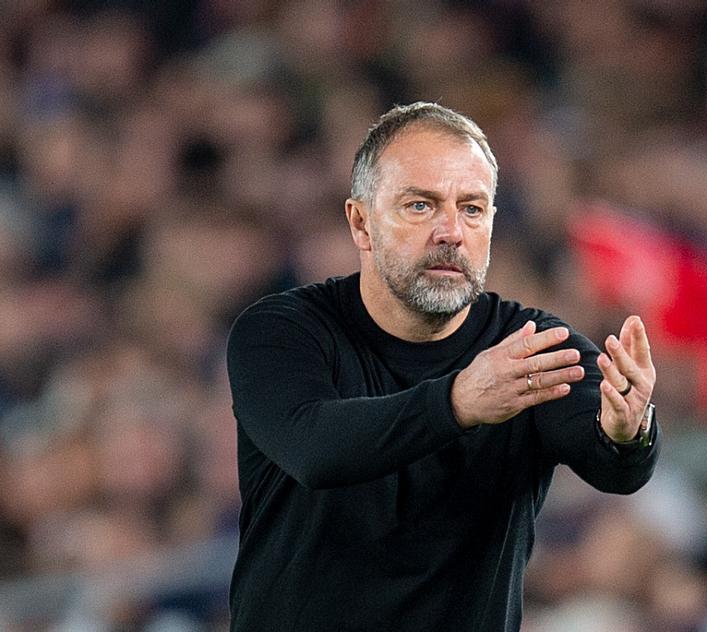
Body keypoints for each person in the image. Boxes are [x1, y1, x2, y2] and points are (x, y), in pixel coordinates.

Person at [225, 102, 660, 630]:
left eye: (472, 208)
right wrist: (458, 402)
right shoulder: (283, 332)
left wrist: (628, 431)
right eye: (420, 206)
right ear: (360, 222)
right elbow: (316, 449)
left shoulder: (530, 346)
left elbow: (615, 468)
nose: (451, 231)